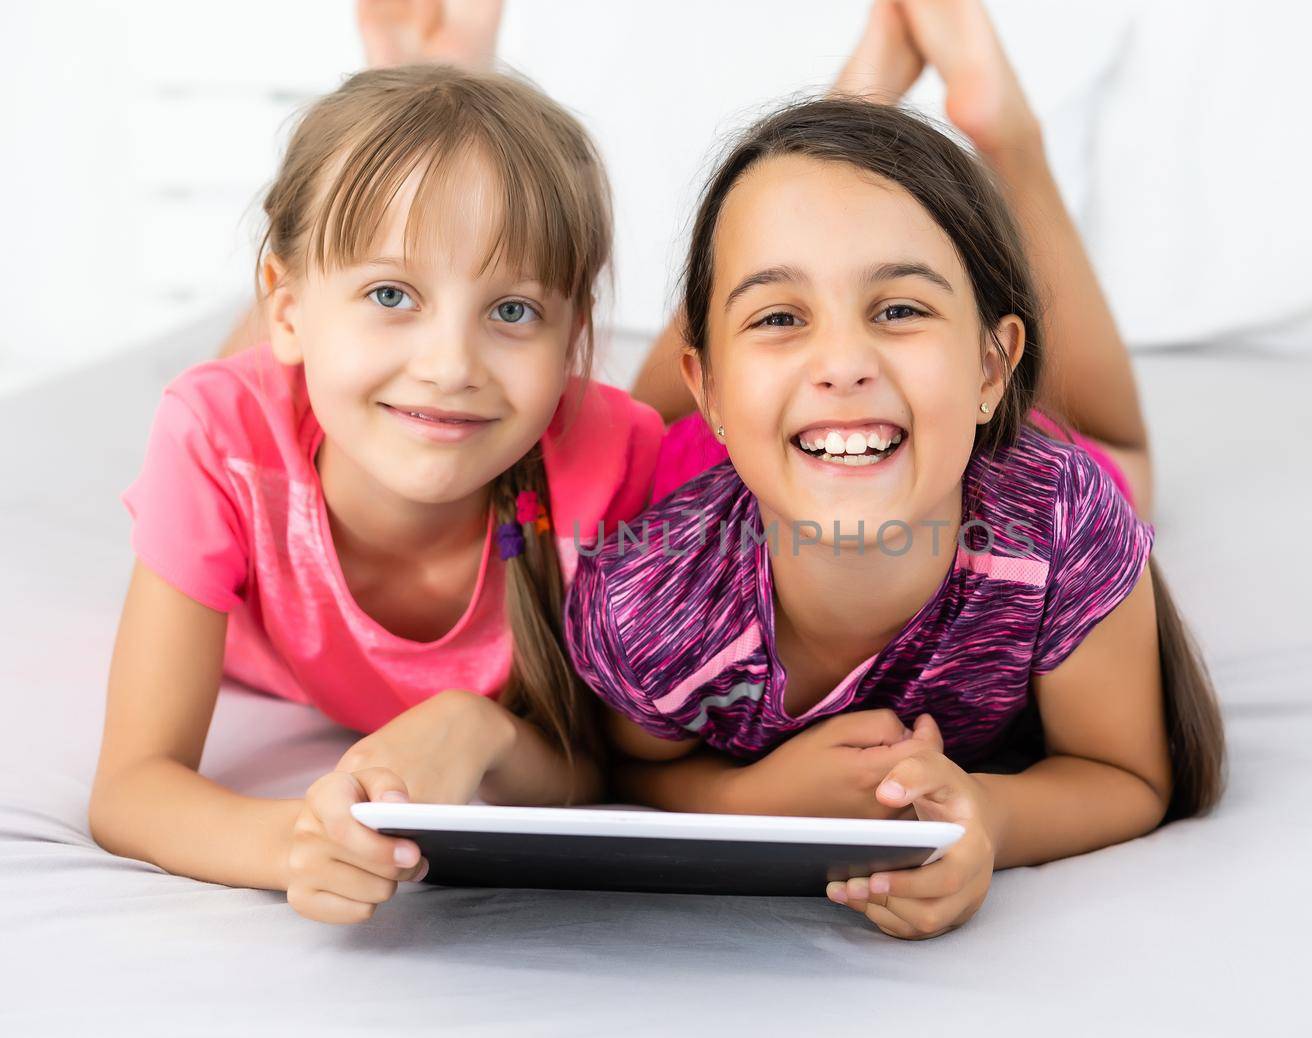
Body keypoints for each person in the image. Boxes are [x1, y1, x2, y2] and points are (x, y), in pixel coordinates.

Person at [563, 80, 1225, 939]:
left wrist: (984, 816)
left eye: (901, 307)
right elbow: (621, 767)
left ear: (993, 367)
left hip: (931, 445)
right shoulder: (645, 604)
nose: (844, 360)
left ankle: (1010, 142)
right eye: (779, 314)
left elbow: (1125, 774)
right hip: (754, 458)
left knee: (1123, 458)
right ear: (712, 387)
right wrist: (748, 799)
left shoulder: (1060, 519)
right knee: (641, 434)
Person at [91, 64, 661, 924]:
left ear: (574, 333)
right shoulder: (213, 442)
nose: (451, 365)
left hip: (527, 434)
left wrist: (481, 728)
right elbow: (130, 787)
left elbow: (609, 762)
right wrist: (299, 844)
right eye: (391, 293)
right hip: (264, 572)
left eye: (512, 311)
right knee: (235, 387)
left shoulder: (613, 461)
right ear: (280, 307)